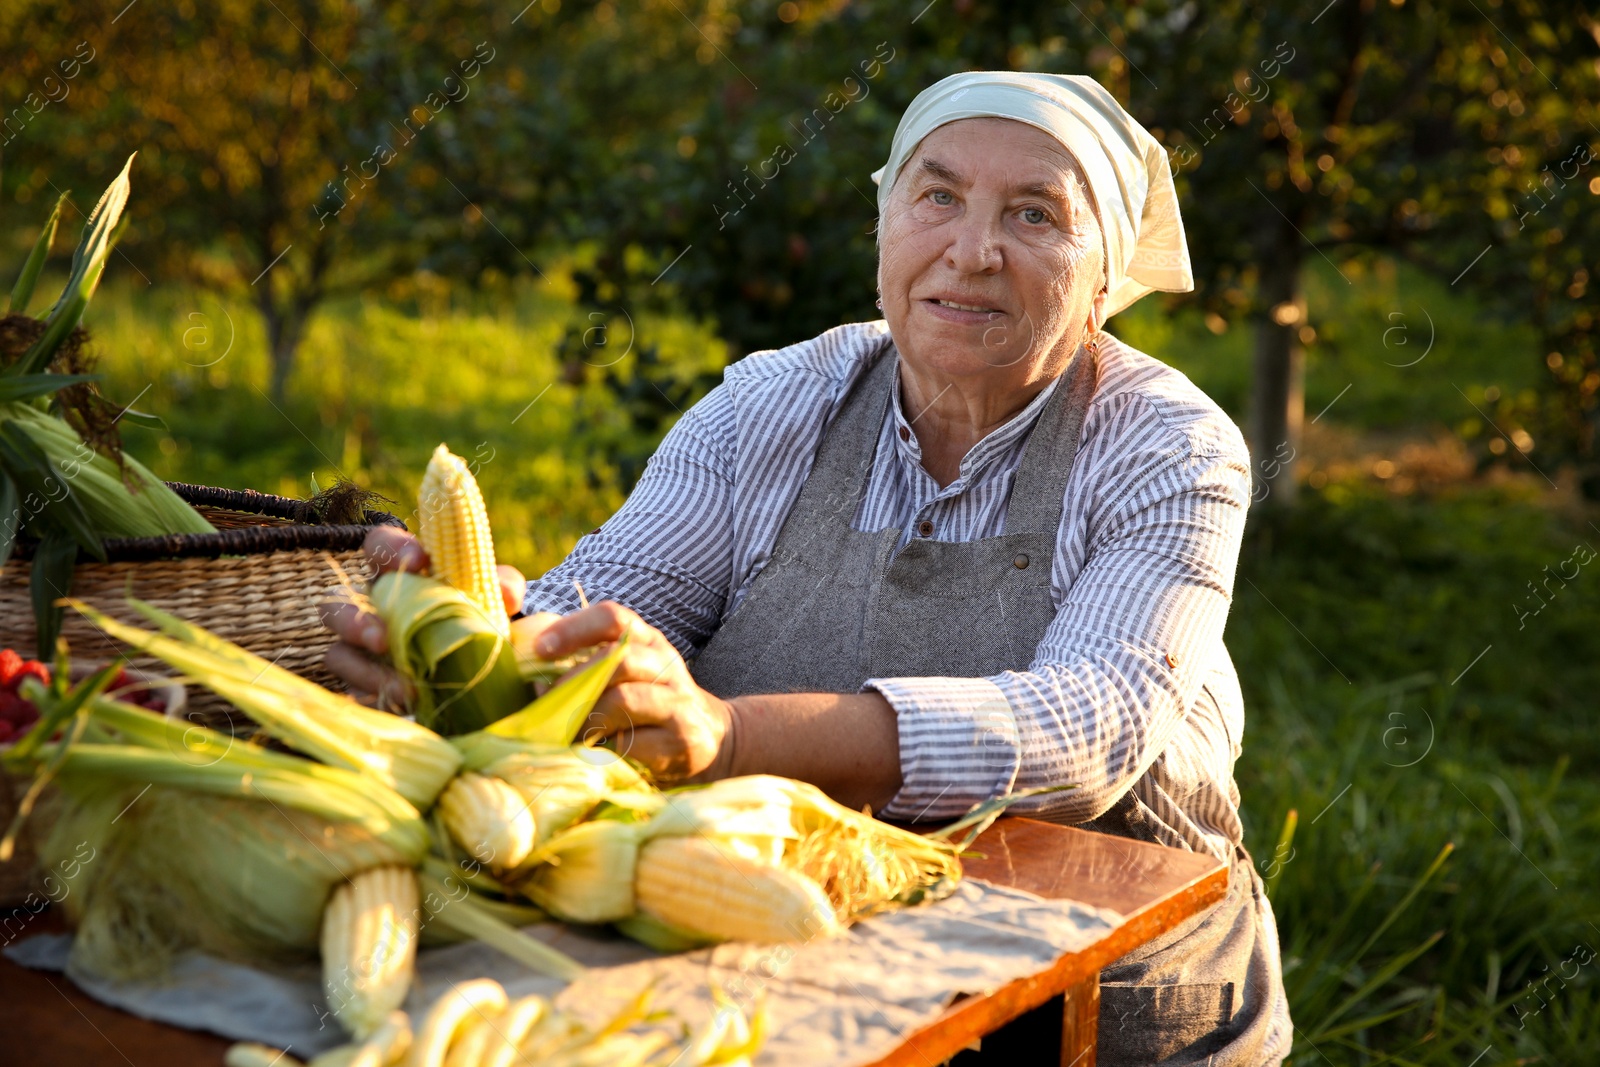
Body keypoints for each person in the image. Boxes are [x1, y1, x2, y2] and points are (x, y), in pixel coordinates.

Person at [324, 71, 1291, 1065]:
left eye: (1034, 214)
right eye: (937, 196)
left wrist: (731, 733)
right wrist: (482, 633)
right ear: (884, 227)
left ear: (1102, 283)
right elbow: (607, 607)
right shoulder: (770, 404)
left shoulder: (1170, 447)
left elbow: (1088, 727)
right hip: (812, 927)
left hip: (1105, 967)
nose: (971, 250)